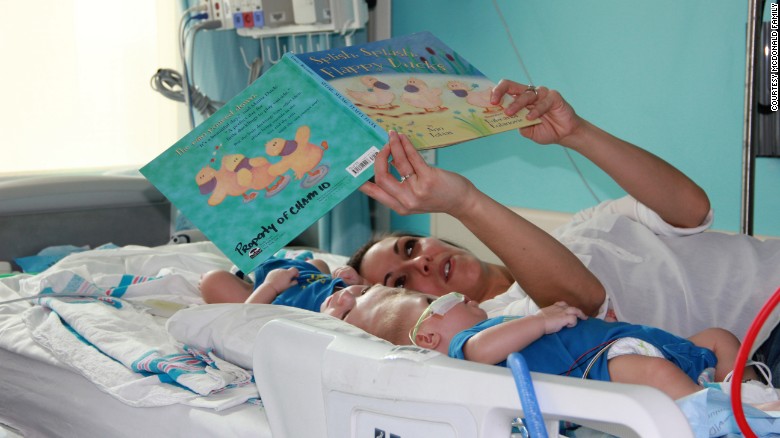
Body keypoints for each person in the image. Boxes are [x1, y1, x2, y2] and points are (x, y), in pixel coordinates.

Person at [352, 80, 780, 383]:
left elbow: (692, 208)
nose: (420, 261)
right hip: (762, 349)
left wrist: (577, 133)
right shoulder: (514, 331)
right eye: (403, 281)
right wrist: (464, 201)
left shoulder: (578, 228)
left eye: (410, 246)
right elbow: (583, 301)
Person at [399, 291, 758, 400]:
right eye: (446, 302)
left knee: (719, 337)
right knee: (654, 372)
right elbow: (481, 350)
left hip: (624, 344)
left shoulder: (505, 324)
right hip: (605, 367)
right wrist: (540, 320)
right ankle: (714, 415)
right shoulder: (467, 345)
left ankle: (741, 395)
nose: (465, 298)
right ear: (430, 337)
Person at [199, 253, 370, 316]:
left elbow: (247, 317)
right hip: (306, 272)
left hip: (267, 293)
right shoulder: (347, 293)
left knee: (212, 281)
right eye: (365, 293)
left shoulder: (304, 320)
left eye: (346, 314)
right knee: (320, 263)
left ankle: (244, 279)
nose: (347, 297)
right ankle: (298, 259)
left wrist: (270, 287)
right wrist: (356, 282)